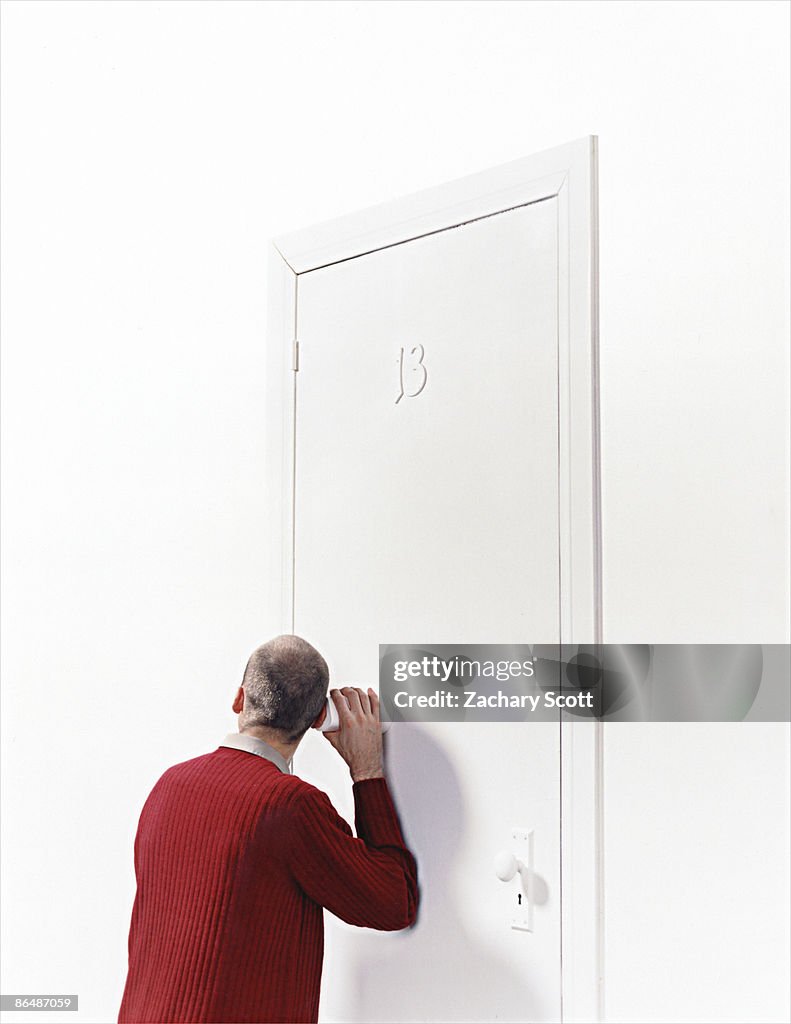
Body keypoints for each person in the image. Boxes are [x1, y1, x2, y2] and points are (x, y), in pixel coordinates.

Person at [118, 634, 418, 1024]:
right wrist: (367, 772)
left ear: (239, 699)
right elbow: (393, 903)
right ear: (316, 721)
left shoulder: (169, 784)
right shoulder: (290, 806)